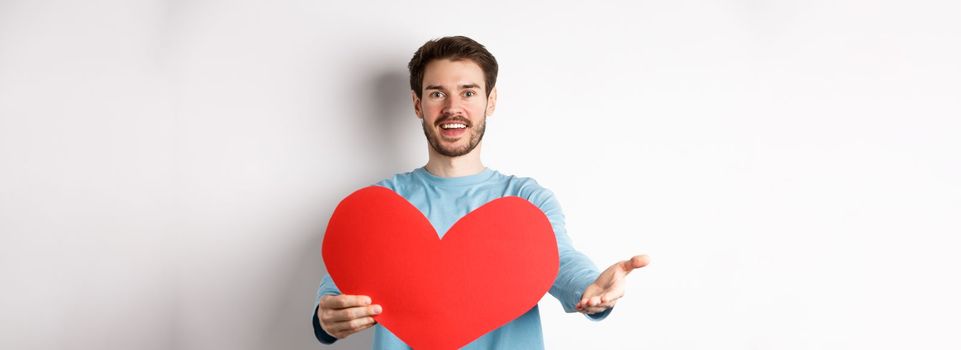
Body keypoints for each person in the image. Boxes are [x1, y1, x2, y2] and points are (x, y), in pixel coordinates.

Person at [312, 35, 649, 349]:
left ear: (491, 101)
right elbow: (336, 289)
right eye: (437, 93)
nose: (452, 107)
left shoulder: (526, 200)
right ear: (418, 105)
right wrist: (326, 318)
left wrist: (594, 289)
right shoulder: (380, 205)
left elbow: (560, 262)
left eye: (468, 92)